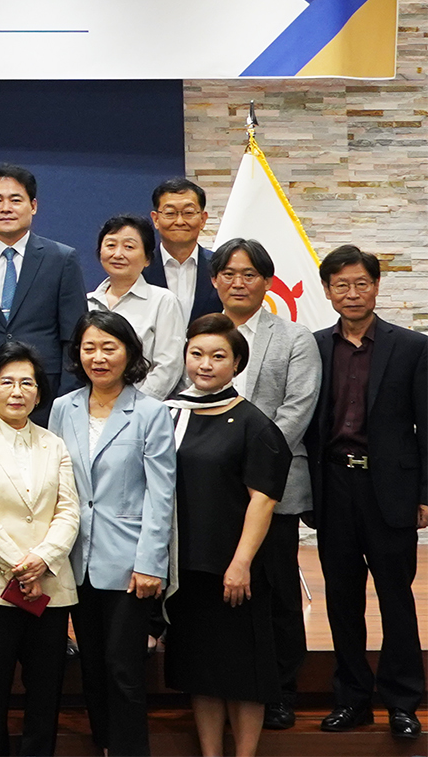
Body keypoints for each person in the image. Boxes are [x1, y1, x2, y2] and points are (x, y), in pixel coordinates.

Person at [309, 245, 427, 739]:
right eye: (341, 285)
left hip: (391, 489)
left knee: (396, 598)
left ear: (377, 286)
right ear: (327, 290)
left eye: (361, 283)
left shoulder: (412, 346)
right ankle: (352, 698)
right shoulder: (313, 347)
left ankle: (403, 703)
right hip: (334, 485)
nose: (352, 293)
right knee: (341, 598)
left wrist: (425, 493)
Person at [164, 313, 290, 757]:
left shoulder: (253, 423)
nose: (205, 364)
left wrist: (240, 564)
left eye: (218, 356)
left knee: (243, 674)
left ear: (237, 363)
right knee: (202, 672)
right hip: (188, 567)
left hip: (235, 570)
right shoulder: (171, 414)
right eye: (196, 354)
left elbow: (263, 500)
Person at [53, 310, 177, 756]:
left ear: (129, 354)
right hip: (73, 559)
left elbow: (161, 495)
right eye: (89, 348)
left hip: (128, 561)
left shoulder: (151, 412)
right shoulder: (62, 408)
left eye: (109, 347)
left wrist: (151, 563)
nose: (98, 357)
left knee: (123, 668)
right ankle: (104, 745)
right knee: (91, 666)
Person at [209, 238, 320, 729]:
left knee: (275, 591)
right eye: (229, 273)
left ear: (267, 282)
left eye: (250, 274)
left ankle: (281, 690)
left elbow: (297, 408)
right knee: (220, 592)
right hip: (212, 491)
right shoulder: (202, 333)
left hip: (274, 487)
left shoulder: (295, 338)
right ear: (215, 280)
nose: (239, 282)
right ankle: (225, 683)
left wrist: (249, 461)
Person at [0, 340, 80, 757]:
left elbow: (69, 510)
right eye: (6, 382)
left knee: (46, 685)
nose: (17, 391)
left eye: (27, 383)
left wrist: (42, 559)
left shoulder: (54, 444)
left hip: (50, 585)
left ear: (39, 393)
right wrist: (20, 566)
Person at [0, 163, 88, 424]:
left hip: (44, 394)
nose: (5, 208)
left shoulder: (61, 259)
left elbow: (74, 337)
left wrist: (65, 402)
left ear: (33, 206)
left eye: (15, 200)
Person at [85, 215, 185, 399]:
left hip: (143, 407)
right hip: (90, 405)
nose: (118, 254)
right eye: (111, 245)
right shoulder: (87, 302)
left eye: (129, 247)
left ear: (147, 258)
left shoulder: (163, 301)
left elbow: (168, 365)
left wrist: (135, 406)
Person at [142, 177, 222, 321]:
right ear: (155, 219)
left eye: (188, 213)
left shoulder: (221, 266)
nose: (179, 221)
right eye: (170, 213)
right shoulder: (139, 269)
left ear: (203, 219)